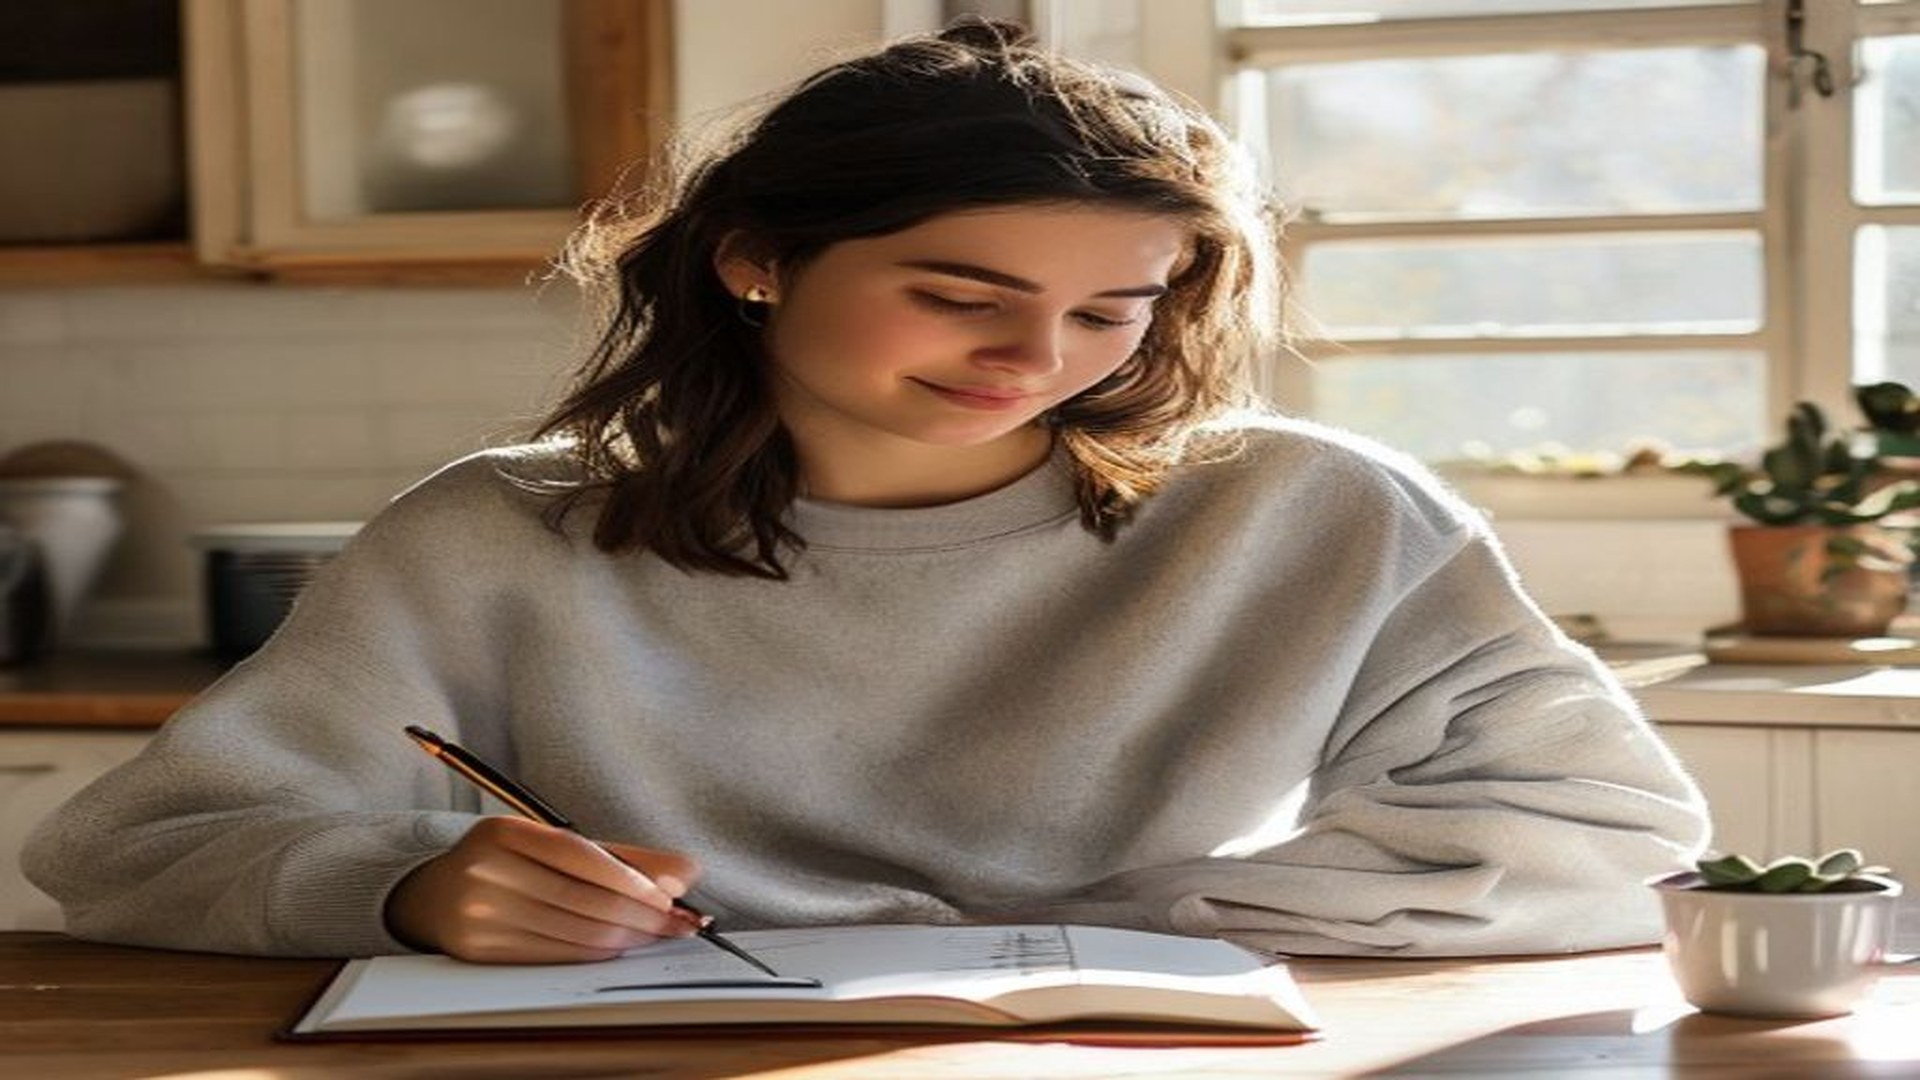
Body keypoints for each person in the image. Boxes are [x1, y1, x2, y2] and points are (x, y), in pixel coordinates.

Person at [24, 20, 1707, 962]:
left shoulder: (1318, 514)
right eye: (961, 295)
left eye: (1111, 311)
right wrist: (394, 886)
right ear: (755, 259)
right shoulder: (495, 537)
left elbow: (1615, 844)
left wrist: (1153, 920)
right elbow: (133, 852)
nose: (1036, 355)